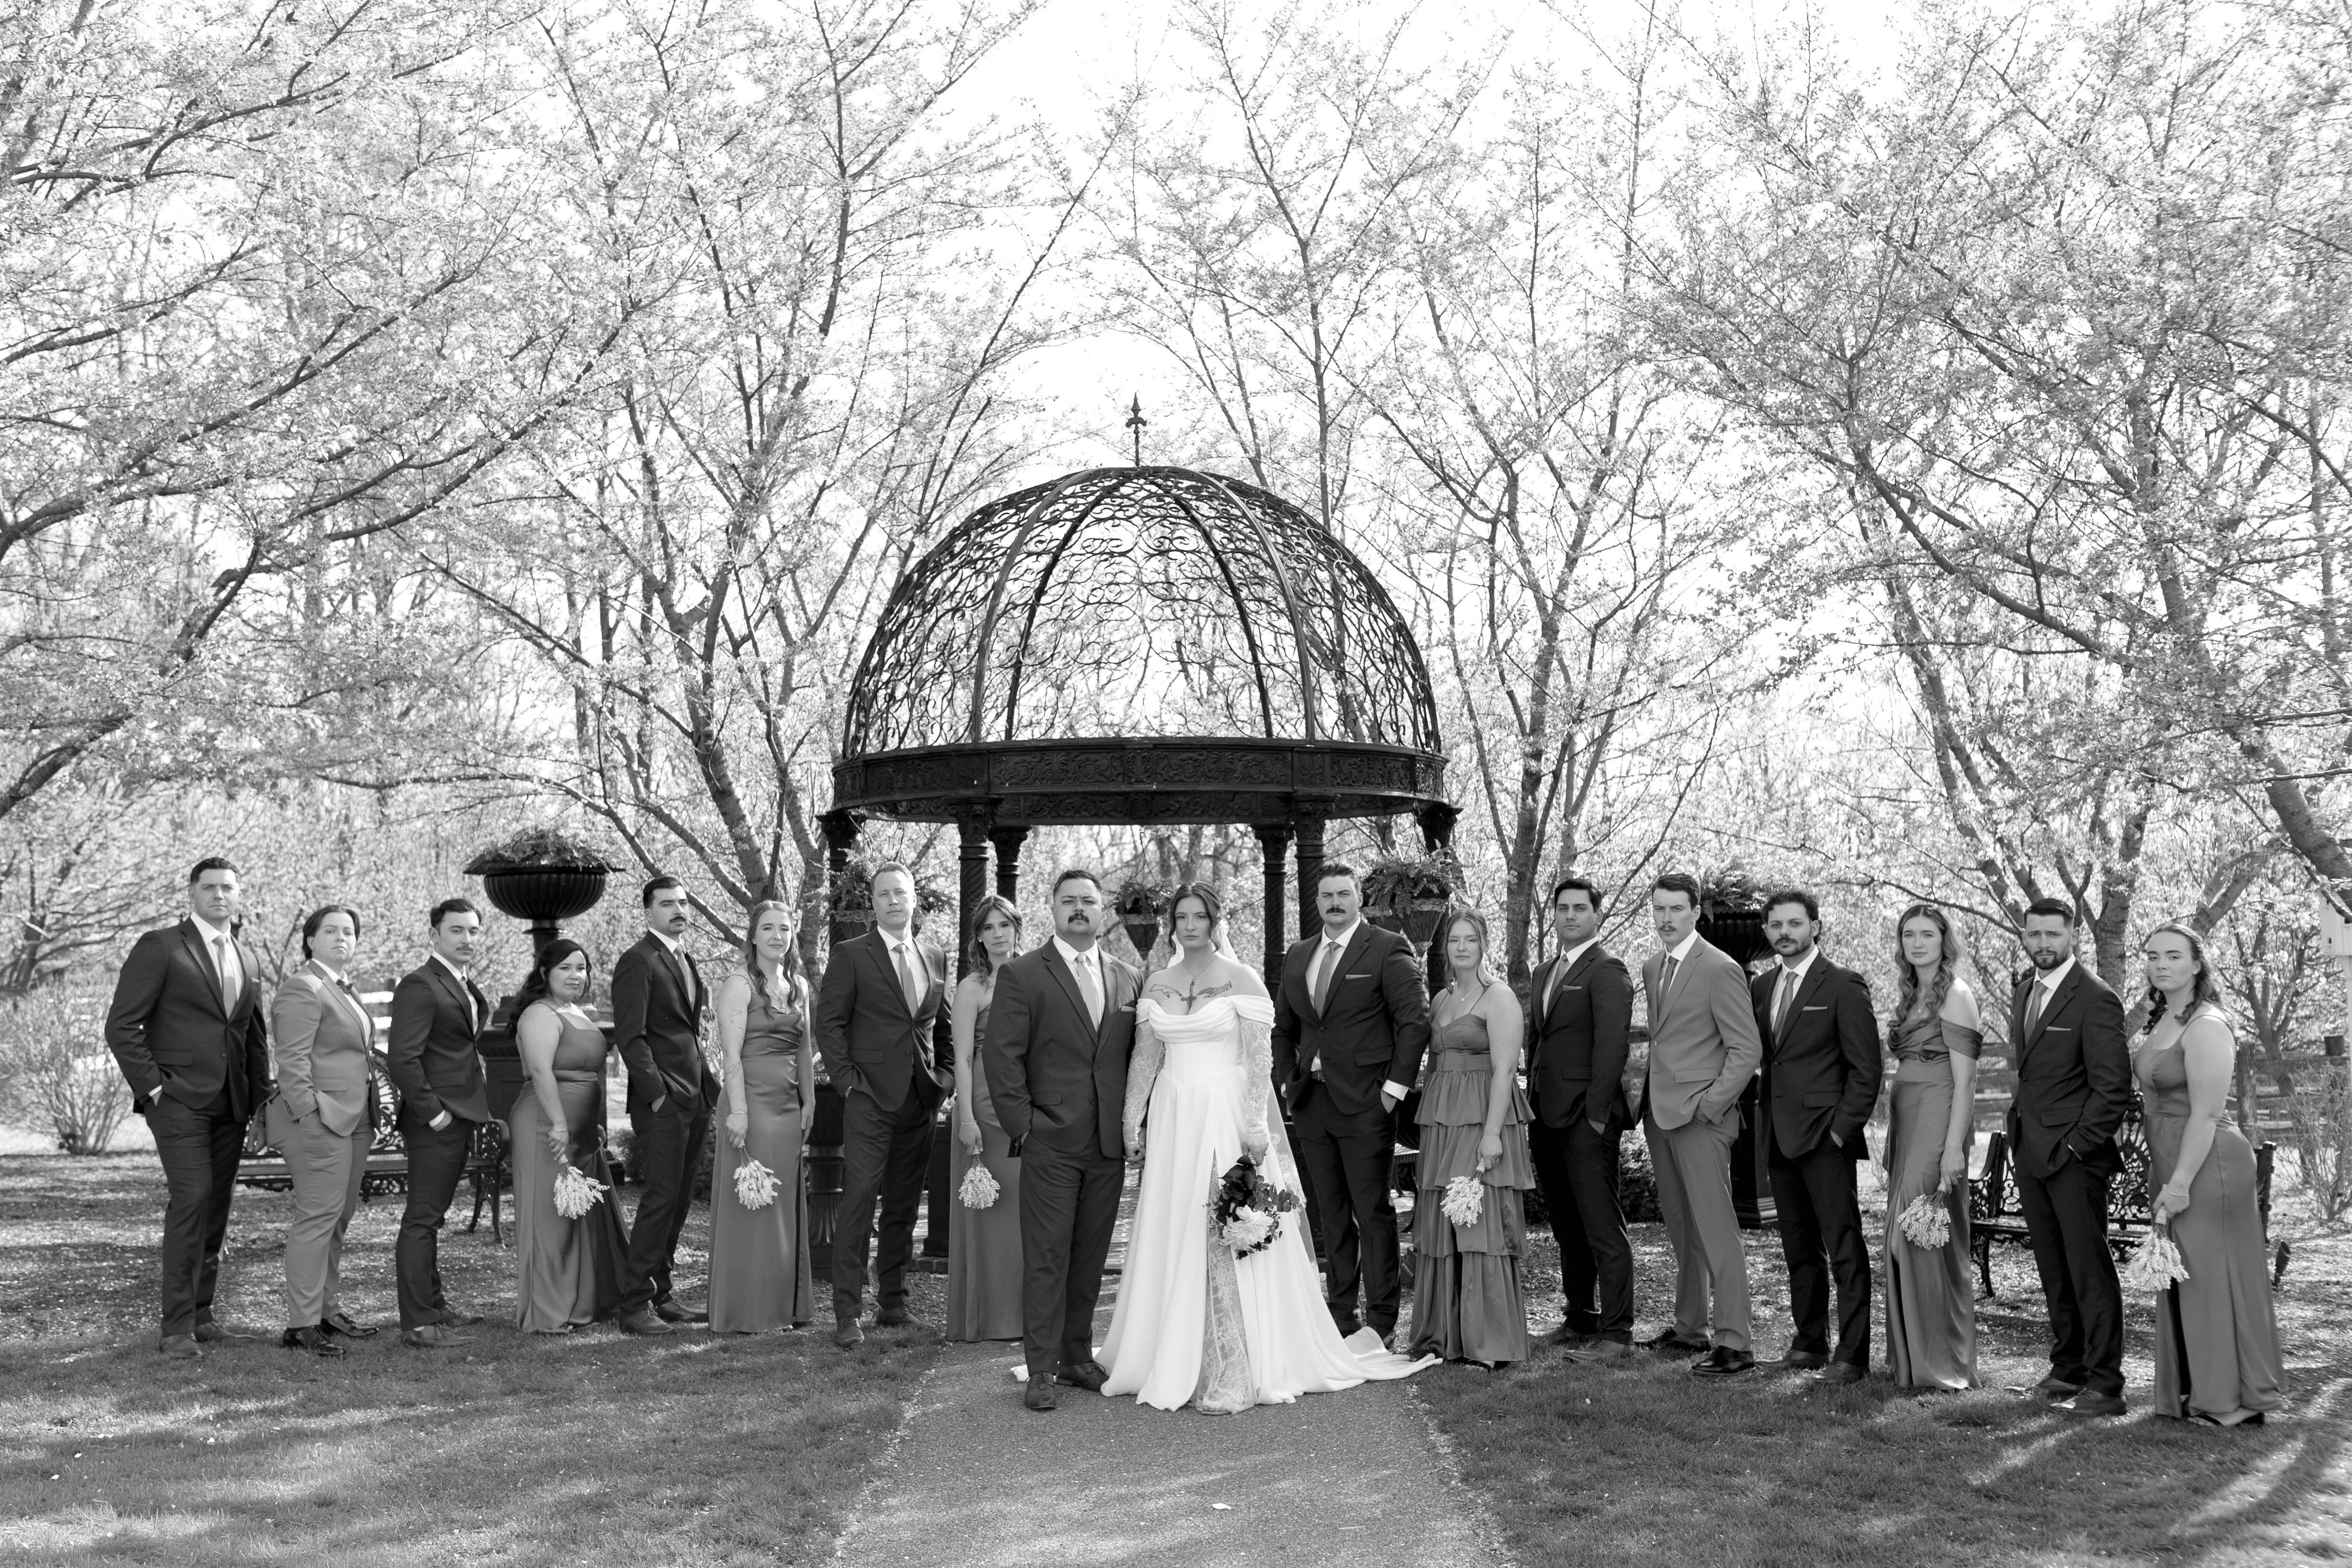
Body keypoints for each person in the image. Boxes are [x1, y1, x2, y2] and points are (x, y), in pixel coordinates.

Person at [1104, 883, 1430, 1411]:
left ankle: (1243, 1354)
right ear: (1172, 924)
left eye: (1200, 916)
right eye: (1182, 917)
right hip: (1172, 1118)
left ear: (1215, 921)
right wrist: (1130, 1120)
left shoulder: (1242, 978)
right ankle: (1168, 1345)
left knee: (1228, 1220)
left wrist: (1256, 1123)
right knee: (1176, 1222)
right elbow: (1145, 1058)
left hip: (1224, 1114)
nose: (1190, 925)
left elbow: (1259, 1058)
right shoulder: (1157, 982)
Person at [982, 868, 1137, 1411]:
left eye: (1088, 901)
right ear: (1052, 909)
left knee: (1090, 1257)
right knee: (1047, 1256)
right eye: (1068, 900)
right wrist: (1026, 1128)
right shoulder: (1023, 974)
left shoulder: (1128, 976)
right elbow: (1002, 1057)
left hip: (1107, 1144)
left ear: (1102, 910)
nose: (1078, 908)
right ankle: (1042, 1369)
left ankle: (1075, 1357)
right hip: (1049, 1139)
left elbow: (1135, 1058)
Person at [103, 857, 271, 1357]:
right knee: (192, 1199)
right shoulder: (161, 946)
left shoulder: (247, 957)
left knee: (216, 1207)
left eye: (228, 887)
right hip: (178, 1100)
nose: (220, 894)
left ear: (239, 895)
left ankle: (202, 1314)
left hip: (232, 1102)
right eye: (210, 887)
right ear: (192, 893)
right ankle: (176, 1327)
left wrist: (261, 1105)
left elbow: (253, 1037)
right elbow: (122, 1025)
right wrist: (154, 1089)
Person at [1270, 863, 1432, 1347]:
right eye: (1327, 895)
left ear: (1358, 897)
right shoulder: (1299, 955)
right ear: (1316, 902)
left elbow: (1415, 1022)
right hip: (1312, 1101)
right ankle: (1341, 1315)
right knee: (1331, 1214)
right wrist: (1287, 1082)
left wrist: (1393, 1091)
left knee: (1372, 1212)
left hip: (1367, 1102)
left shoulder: (1387, 947)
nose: (1335, 902)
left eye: (1344, 893)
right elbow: (1283, 1028)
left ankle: (1381, 1322)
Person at [2135, 922, 2284, 1427]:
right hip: (2171, 1157)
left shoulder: (2206, 1024)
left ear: (2197, 964)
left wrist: (2179, 1183)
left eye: (2173, 955)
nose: (2160, 964)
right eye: (2152, 955)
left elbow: (2205, 1113)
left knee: (2213, 1279)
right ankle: (2195, 1389)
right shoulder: (2164, 1018)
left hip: (2208, 1163)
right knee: (2187, 1277)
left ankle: (2234, 1401)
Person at [812, 861, 950, 1346]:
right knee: (858, 1202)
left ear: (914, 899)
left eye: (901, 892)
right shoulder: (852, 954)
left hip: (921, 1099)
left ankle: (893, 1301)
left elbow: (941, 1026)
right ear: (873, 903)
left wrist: (945, 1077)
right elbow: (828, 1023)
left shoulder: (935, 957)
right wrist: (849, 1084)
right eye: (884, 894)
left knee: (904, 1204)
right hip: (868, 1098)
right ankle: (847, 1313)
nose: (894, 900)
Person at [1750, 889, 1882, 1385]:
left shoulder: (1844, 984)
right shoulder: (1762, 987)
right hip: (1778, 1136)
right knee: (1799, 1249)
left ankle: (1852, 1355)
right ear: (1767, 931)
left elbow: (1866, 1070)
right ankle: (1808, 1343)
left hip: (1826, 1139)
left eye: (1794, 923)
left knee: (1844, 1247)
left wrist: (1840, 1132)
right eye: (1776, 925)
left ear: (1815, 927)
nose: (1785, 932)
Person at [2007, 897, 2133, 1416]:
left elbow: (2113, 1088)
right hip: (2030, 1150)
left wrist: (2078, 1145)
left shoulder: (2096, 998)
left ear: (2071, 935)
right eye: (2034, 933)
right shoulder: (2023, 991)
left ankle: (2106, 1385)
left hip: (2076, 1158)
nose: (2042, 943)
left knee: (2088, 1271)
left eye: (2052, 934)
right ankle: (2067, 1369)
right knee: (2054, 1268)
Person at [1637, 871, 1764, 1378]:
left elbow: (1746, 1049)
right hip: (1660, 1116)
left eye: (1676, 908)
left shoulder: (1720, 967)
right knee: (1682, 1228)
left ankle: (1736, 1342)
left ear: (1696, 913)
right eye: (1659, 908)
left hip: (1702, 1118)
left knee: (1716, 1231)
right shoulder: (1653, 966)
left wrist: (1711, 1106)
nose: (1666, 918)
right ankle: (1690, 1327)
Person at [1408, 909, 1535, 1368]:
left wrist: (1492, 1135)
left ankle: (1489, 1342)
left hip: (1483, 1117)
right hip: (1443, 1122)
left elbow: (1504, 1070)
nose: (1461, 947)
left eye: (1471, 939)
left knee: (1479, 1224)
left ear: (1484, 945)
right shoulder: (1442, 999)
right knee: (1443, 1222)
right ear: (1445, 948)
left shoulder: (1498, 997)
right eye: (1454, 940)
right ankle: (1445, 1336)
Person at [1524, 874, 1636, 1359]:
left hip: (1586, 1120)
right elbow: (1538, 1042)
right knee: (1567, 1227)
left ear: (1596, 914)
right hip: (1545, 1117)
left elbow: (1612, 1047)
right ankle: (1580, 1317)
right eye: (1562, 908)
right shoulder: (1544, 971)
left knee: (1601, 1226)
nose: (1570, 915)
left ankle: (1617, 1333)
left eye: (1579, 908)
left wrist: (1596, 1116)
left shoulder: (1607, 969)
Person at [611, 875, 721, 1336]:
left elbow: (687, 1030)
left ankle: (662, 1294)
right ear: (648, 912)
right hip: (663, 1102)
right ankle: (634, 1305)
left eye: (682, 903)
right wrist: (658, 1093)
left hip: (696, 1097)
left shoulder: (685, 958)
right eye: (666, 904)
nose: (678, 910)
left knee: (677, 1200)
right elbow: (630, 1037)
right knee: (659, 1199)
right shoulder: (638, 960)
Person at [270, 905, 381, 1357]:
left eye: (349, 932)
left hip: (354, 1119)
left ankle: (325, 1311)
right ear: (311, 940)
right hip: (320, 1119)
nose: (341, 938)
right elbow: (291, 1061)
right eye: (331, 931)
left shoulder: (341, 986)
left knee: (338, 1217)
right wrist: (308, 1117)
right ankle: (300, 1325)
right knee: (318, 1218)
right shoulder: (303, 987)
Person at [386, 896, 495, 1349]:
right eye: (457, 930)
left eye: (473, 931)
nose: (467, 938)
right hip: (436, 1120)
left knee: (432, 1217)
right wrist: (435, 1115)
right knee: (423, 1219)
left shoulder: (461, 983)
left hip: (459, 1114)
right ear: (435, 935)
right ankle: (418, 1324)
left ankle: (434, 1306)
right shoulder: (420, 985)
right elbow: (402, 1059)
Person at [1883, 905, 1983, 1391]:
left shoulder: (1957, 995)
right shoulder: (1911, 994)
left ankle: (1942, 1362)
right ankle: (1910, 1358)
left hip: (1939, 1115)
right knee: (1903, 1233)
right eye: (1909, 934)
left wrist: (1953, 1148)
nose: (1917, 942)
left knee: (1920, 1231)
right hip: (1907, 1119)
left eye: (1927, 934)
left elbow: (1966, 1082)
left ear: (1945, 941)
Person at [508, 939, 630, 1335]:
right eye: (565, 968)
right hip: (545, 1124)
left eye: (581, 967)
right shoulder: (539, 1013)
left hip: (579, 1130)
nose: (576, 975)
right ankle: (548, 1312)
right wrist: (560, 1124)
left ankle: (581, 1302)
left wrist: (589, 1125)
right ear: (545, 973)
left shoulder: (575, 1012)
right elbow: (541, 1071)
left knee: (578, 1215)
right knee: (551, 1218)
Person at [708, 900, 818, 1334]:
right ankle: (749, 1311)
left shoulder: (798, 986)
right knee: (753, 1203)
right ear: (752, 936)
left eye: (784, 929)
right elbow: (730, 1055)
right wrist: (738, 1111)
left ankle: (784, 1306)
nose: (777, 936)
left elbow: (804, 1049)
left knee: (783, 1204)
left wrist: (809, 1102)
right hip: (749, 1104)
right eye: (768, 928)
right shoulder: (738, 985)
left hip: (788, 1107)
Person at [947, 895, 1025, 1342]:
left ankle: (1024, 1316)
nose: (997, 934)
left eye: (1004, 925)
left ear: (1017, 929)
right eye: (989, 927)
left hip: (1024, 1102)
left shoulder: (1033, 975)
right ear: (978, 936)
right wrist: (966, 1118)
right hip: (982, 1102)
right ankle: (987, 1316)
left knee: (1023, 1210)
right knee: (988, 1209)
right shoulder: (972, 987)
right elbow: (960, 1058)